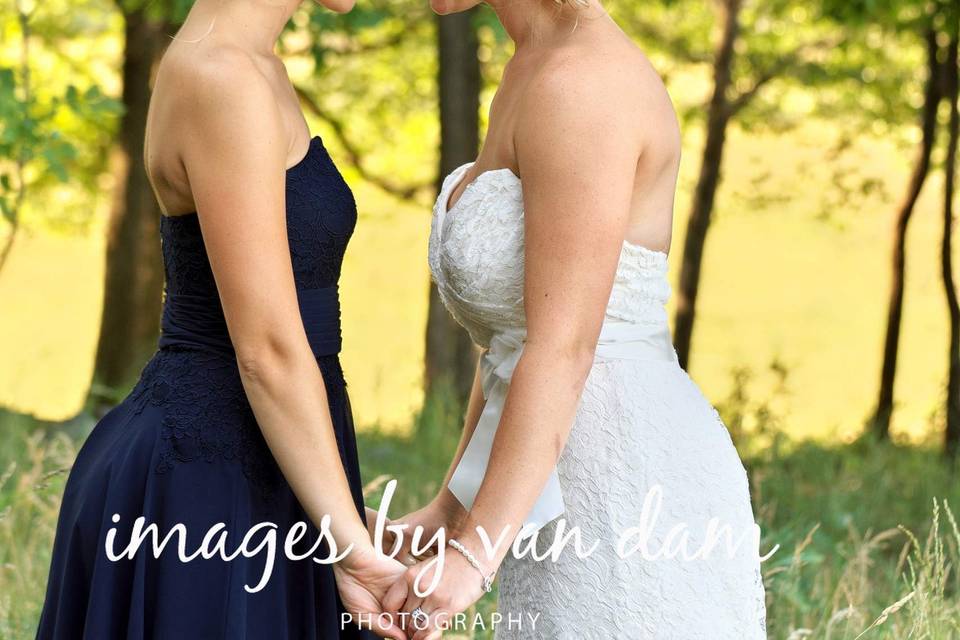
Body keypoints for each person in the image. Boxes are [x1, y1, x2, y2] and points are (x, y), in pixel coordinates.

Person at [388, 0, 767, 637]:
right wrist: (451, 511)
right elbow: (514, 339)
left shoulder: (582, 86)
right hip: (543, 481)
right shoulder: (529, 66)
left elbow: (562, 349)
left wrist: (474, 555)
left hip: (625, 485)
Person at [37, 1, 405, 638]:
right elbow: (266, 349)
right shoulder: (220, 74)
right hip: (206, 488)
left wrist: (344, 517)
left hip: (275, 466)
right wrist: (349, 548)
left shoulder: (254, 63)